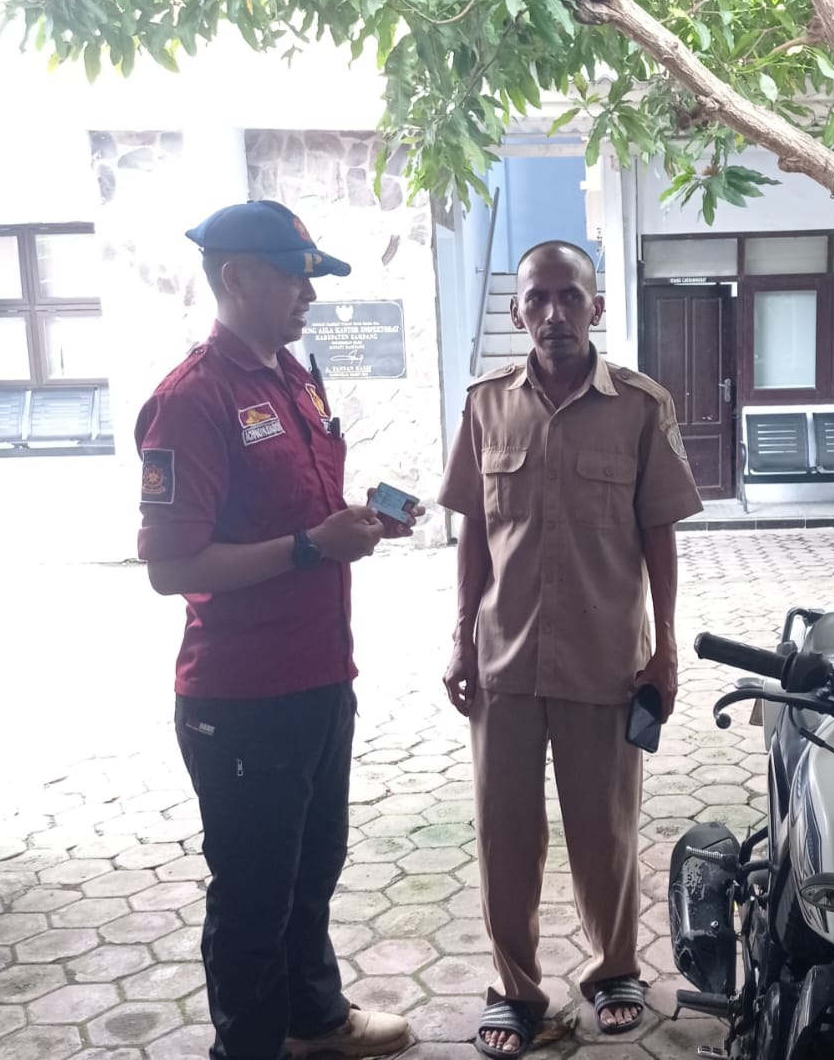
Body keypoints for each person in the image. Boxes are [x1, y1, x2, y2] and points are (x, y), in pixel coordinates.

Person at [135, 199, 422, 1060]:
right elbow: (171, 567)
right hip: (241, 699)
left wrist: (352, 522)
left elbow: (300, 509)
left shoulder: (295, 377)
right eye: (296, 276)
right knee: (253, 893)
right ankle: (251, 1047)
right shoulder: (192, 400)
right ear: (237, 278)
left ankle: (313, 1019)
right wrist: (309, 546)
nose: (310, 293)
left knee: (311, 867)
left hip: (321, 675)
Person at [438, 241, 704, 1058]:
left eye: (569, 296)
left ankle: (615, 969)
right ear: (517, 310)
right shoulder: (486, 404)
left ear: (597, 306)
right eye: (537, 298)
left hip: (605, 655)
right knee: (505, 834)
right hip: (505, 659)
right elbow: (473, 529)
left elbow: (658, 532)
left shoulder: (640, 406)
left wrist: (664, 646)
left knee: (605, 830)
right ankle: (516, 988)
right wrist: (459, 637)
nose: (553, 313)